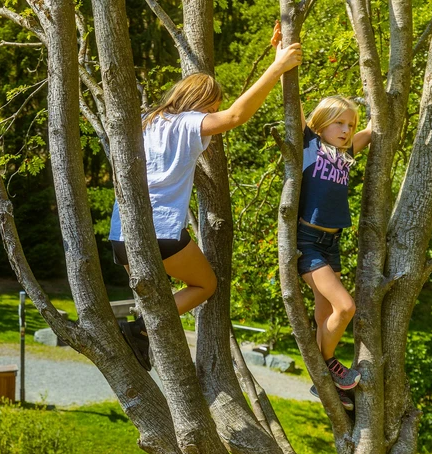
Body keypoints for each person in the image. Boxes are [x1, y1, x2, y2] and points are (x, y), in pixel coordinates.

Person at [111, 22, 302, 370]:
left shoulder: (144, 121)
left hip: (121, 234)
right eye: (211, 106)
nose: (213, 114)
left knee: (158, 297)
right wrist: (277, 68)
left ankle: (139, 336)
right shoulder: (186, 123)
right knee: (205, 284)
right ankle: (138, 330)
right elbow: (237, 115)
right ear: (200, 104)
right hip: (160, 231)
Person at [296, 95, 372, 409]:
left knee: (325, 312)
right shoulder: (310, 144)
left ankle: (323, 381)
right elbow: (293, 103)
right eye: (338, 122)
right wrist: (282, 58)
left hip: (333, 243)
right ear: (321, 121)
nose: (345, 129)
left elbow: (374, 127)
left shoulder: (347, 152)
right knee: (345, 307)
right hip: (308, 240)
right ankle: (328, 363)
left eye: (349, 124)